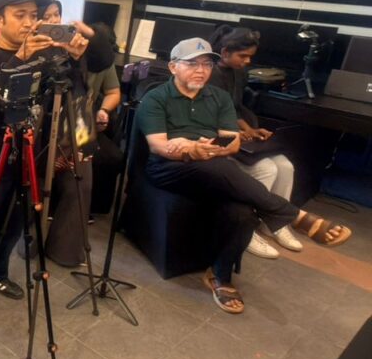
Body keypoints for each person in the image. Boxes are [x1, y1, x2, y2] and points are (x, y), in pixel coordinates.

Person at [137, 37, 352, 314]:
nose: (201, 70)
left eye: (207, 64)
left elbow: (232, 142)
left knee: (242, 211)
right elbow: (159, 146)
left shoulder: (219, 97)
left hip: (214, 167)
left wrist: (210, 149)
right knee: (219, 167)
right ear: (173, 67)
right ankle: (292, 215)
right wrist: (189, 150)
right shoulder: (155, 98)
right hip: (168, 169)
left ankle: (220, 276)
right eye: (192, 64)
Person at [0, 0, 90, 322]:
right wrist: (20, 58)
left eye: (34, 15)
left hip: (30, 151)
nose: (29, 23)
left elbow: (70, 92)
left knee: (15, 221)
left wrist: (75, 61)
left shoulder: (44, 54)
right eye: (20, 16)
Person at [208, 25, 302, 259]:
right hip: (219, 136)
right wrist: (240, 132)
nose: (247, 61)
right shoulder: (208, 75)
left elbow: (236, 108)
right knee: (267, 168)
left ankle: (275, 224)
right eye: (243, 56)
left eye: (250, 56)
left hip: (236, 130)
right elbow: (216, 115)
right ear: (225, 52)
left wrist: (251, 129)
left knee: (286, 166)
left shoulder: (238, 73)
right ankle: (246, 230)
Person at [84, 23, 123, 217]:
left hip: (88, 123)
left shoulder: (106, 63)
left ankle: (94, 207)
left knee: (112, 157)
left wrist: (104, 110)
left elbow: (113, 92)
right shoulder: (71, 58)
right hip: (63, 122)